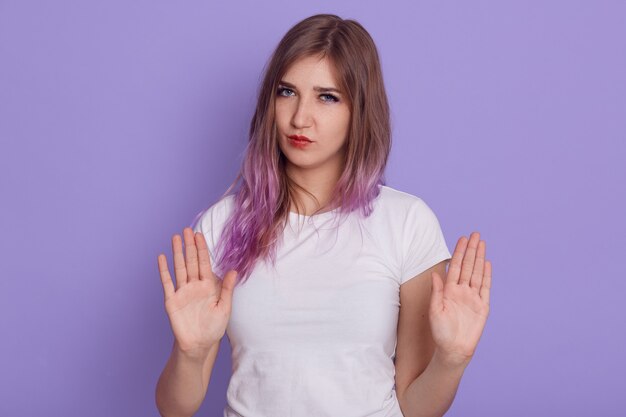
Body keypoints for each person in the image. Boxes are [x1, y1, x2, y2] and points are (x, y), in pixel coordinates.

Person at [155, 13, 492, 417]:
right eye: (286, 92)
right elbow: (174, 409)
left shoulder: (407, 223)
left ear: (359, 111)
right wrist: (190, 354)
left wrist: (451, 361)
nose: (300, 118)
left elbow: (415, 408)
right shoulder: (221, 224)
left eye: (327, 97)